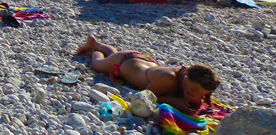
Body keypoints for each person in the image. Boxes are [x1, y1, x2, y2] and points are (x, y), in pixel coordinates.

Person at [75, 36, 220, 114]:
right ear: (187, 75)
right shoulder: (169, 79)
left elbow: (203, 93)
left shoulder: (190, 75)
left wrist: (204, 97)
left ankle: (97, 44)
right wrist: (174, 101)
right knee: (98, 64)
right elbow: (144, 95)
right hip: (125, 62)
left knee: (112, 55)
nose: (192, 94)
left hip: (144, 62)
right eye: (192, 90)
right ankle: (94, 49)